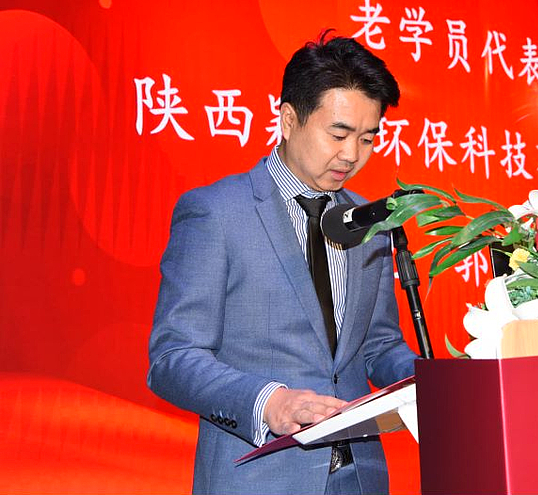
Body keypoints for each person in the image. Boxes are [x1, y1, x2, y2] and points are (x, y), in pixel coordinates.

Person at [147, 31, 418, 495]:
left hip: (359, 479)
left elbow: (377, 346)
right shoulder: (216, 213)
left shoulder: (368, 220)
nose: (352, 155)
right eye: (338, 134)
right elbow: (173, 359)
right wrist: (268, 403)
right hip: (257, 479)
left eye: (368, 138)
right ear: (289, 119)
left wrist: (440, 382)